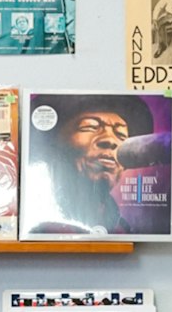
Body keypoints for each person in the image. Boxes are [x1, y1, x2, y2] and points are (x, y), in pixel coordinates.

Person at [28, 94, 155, 235]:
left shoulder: (125, 230)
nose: (110, 140)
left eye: (121, 135)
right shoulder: (31, 220)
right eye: (89, 127)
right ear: (52, 144)